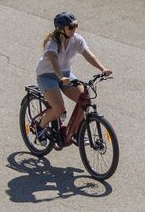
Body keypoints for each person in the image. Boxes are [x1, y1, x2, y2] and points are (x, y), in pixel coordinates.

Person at [31, 12, 110, 147]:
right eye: (71, 27)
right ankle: (39, 127)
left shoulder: (77, 40)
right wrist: (61, 77)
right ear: (61, 29)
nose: (74, 29)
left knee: (84, 100)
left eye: (75, 26)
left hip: (66, 75)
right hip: (47, 75)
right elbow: (54, 62)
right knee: (59, 108)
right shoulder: (52, 43)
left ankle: (77, 132)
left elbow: (89, 55)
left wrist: (102, 69)